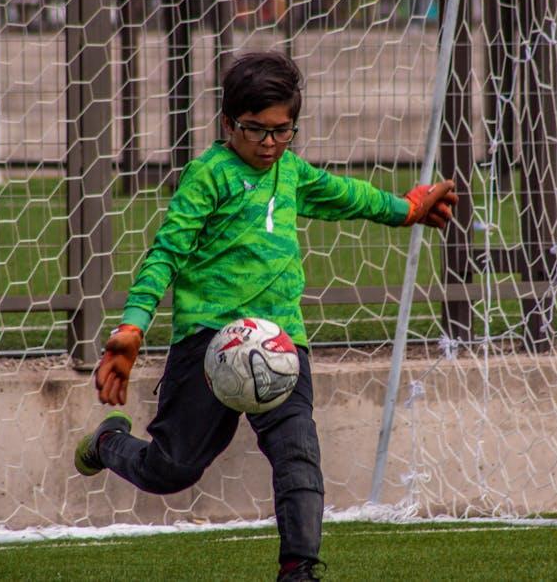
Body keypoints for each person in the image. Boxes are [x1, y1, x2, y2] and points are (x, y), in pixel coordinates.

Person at [73, 51, 457, 581]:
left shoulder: (291, 171)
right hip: (210, 344)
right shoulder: (208, 176)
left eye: (283, 131)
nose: (270, 143)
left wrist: (406, 210)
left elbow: (349, 196)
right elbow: (165, 252)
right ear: (228, 123)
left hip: (280, 342)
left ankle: (298, 569)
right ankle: (109, 441)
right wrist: (132, 326)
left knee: (298, 452)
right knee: (170, 471)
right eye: (256, 130)